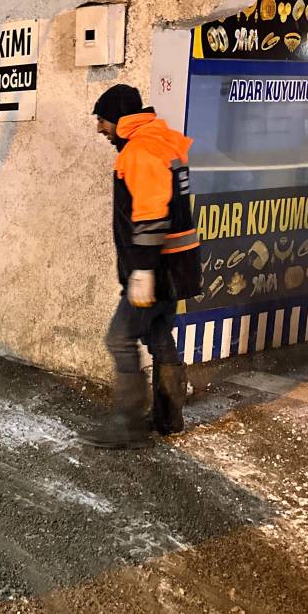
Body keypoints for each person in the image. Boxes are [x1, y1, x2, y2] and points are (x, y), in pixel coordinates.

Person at [82, 84, 202, 449]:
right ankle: (169, 420)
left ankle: (128, 425)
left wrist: (143, 272)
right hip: (176, 266)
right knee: (159, 337)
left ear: (120, 119)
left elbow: (151, 217)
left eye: (102, 120)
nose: (100, 129)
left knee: (119, 339)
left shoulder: (140, 151)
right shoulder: (162, 143)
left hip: (157, 269)